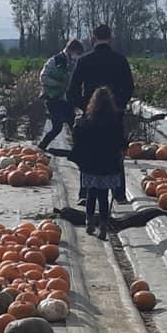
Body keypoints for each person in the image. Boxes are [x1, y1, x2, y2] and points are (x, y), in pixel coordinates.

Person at [67, 25, 133, 200]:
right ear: (111, 38)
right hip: (114, 115)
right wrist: (117, 106)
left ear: (93, 38)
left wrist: (86, 107)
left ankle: (85, 193)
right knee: (115, 150)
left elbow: (72, 91)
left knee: (87, 150)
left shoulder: (84, 61)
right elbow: (129, 88)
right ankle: (119, 193)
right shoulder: (120, 60)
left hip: (90, 116)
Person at [71, 86, 125, 239]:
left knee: (91, 193)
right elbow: (121, 142)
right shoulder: (115, 121)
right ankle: (103, 224)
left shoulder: (88, 120)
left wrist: (76, 126)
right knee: (104, 195)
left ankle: (89, 221)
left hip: (91, 163)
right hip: (108, 163)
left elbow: (78, 139)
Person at [38, 38, 83, 148]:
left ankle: (80, 150)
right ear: (71, 50)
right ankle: (41, 147)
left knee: (73, 125)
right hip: (53, 98)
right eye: (77, 53)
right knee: (57, 127)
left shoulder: (76, 63)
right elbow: (43, 77)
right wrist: (58, 83)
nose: (78, 56)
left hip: (67, 99)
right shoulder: (54, 61)